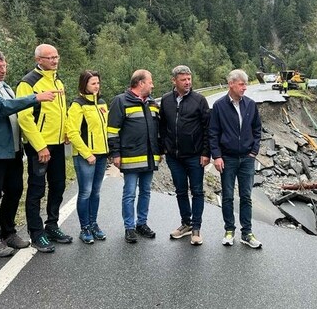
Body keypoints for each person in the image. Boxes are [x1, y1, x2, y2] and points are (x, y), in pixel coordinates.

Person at [0, 48, 58, 257]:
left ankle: (9, 233)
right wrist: (35, 98)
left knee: (14, 191)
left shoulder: (4, 86)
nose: (3, 70)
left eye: (4, 66)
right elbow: (1, 107)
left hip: (11, 151)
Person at [16, 44, 72, 253]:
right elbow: (24, 117)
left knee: (58, 186)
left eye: (56, 57)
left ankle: (52, 226)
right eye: (50, 58)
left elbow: (62, 111)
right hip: (39, 146)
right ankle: (36, 233)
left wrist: (66, 131)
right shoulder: (28, 83)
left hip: (57, 145)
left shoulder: (58, 80)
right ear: (38, 59)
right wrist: (40, 146)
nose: (55, 61)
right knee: (37, 190)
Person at [208, 69, 263, 249]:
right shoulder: (219, 106)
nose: (245, 88)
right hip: (228, 159)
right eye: (241, 84)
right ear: (231, 84)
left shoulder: (250, 105)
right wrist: (216, 156)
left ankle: (247, 233)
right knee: (228, 196)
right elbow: (213, 133)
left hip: (247, 158)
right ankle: (229, 230)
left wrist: (254, 151)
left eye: (246, 84)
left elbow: (257, 130)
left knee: (246, 196)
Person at [107, 69, 161, 244]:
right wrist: (115, 153)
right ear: (141, 83)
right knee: (129, 193)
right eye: (150, 81)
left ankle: (141, 224)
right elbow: (112, 131)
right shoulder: (120, 101)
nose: (152, 85)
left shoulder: (152, 103)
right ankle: (129, 227)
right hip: (130, 157)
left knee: (145, 192)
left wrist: (159, 152)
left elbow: (157, 131)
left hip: (149, 157)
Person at [159, 65, 210, 246]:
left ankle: (196, 227)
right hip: (174, 156)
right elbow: (162, 126)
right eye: (183, 79)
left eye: (189, 79)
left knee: (197, 191)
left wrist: (206, 152)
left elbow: (207, 128)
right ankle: (186, 224)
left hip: (195, 156)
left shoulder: (199, 100)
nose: (187, 82)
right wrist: (164, 147)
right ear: (174, 81)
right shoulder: (166, 100)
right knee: (180, 191)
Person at [66, 70, 109, 244]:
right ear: (84, 84)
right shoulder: (78, 105)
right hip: (85, 156)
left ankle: (94, 224)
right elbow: (73, 132)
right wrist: (87, 153)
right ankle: (84, 228)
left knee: (96, 192)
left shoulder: (102, 103)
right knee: (85, 192)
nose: (96, 86)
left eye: (98, 83)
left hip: (101, 154)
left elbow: (106, 129)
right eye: (93, 83)